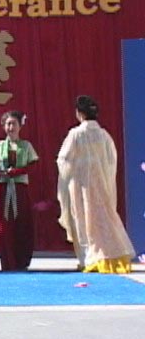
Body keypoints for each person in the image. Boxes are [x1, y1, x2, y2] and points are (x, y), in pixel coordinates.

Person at [57, 95, 135, 273]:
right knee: (103, 218)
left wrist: (70, 175)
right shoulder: (104, 135)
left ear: (79, 113)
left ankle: (88, 258)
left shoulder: (76, 134)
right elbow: (111, 160)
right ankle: (109, 255)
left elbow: (64, 159)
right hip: (100, 185)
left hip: (80, 186)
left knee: (83, 219)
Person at [0, 111, 39, 271]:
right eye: (8, 124)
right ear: (3, 126)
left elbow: (34, 165)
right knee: (4, 226)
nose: (11, 127)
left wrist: (18, 171)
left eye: (14, 123)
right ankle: (7, 262)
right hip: (2, 188)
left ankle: (22, 261)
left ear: (20, 126)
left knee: (22, 224)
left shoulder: (26, 146)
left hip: (20, 188)